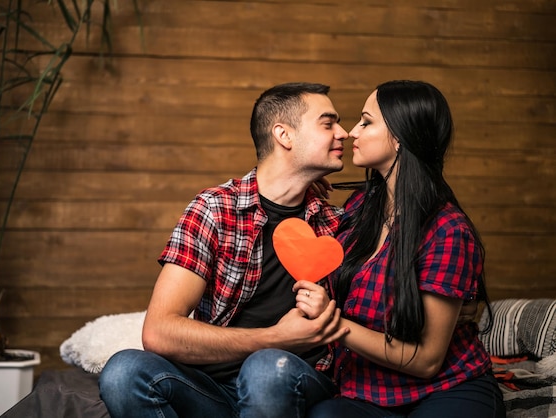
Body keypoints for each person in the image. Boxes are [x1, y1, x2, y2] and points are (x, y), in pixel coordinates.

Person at [98, 82, 352, 418]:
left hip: (295, 380)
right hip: (213, 388)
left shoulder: (337, 224)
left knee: (265, 369)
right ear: (284, 136)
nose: (344, 133)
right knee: (122, 370)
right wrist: (275, 337)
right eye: (328, 123)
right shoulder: (215, 210)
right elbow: (159, 332)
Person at [303, 80, 505, 417]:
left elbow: (426, 360)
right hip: (366, 391)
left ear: (399, 137)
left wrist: (334, 324)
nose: (352, 132)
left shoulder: (448, 231)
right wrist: (305, 179)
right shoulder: (357, 210)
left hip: (445, 388)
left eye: (366, 122)